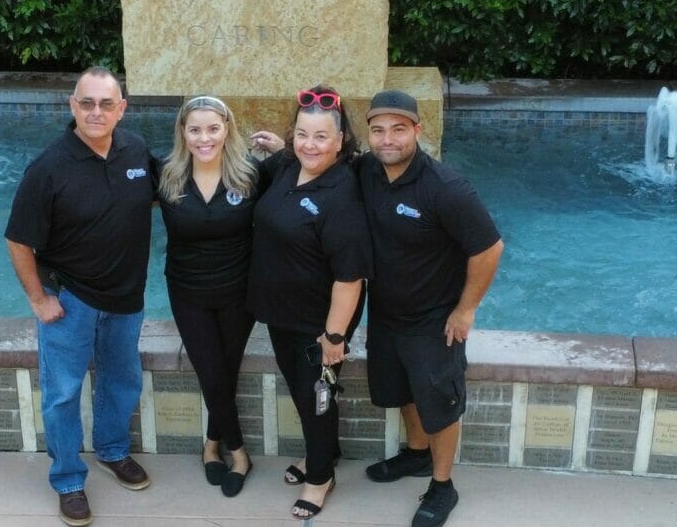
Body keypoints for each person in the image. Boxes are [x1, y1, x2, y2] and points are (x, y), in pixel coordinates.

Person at [4, 67, 157, 527]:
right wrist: (38, 299)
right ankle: (69, 479)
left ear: (121, 109)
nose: (96, 111)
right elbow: (17, 240)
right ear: (72, 106)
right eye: (86, 103)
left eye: (106, 103)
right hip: (71, 302)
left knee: (122, 380)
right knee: (63, 393)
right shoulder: (49, 168)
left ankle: (112, 451)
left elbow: (169, 187)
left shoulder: (135, 150)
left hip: (126, 299)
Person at [359, 90, 504, 527]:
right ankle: (416, 456)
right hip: (385, 313)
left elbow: (489, 249)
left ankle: (442, 485)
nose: (388, 139)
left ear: (417, 131)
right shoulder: (366, 171)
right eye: (379, 130)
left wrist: (465, 310)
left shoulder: (446, 188)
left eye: (399, 129)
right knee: (403, 392)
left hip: (433, 321)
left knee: (438, 403)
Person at [248, 85, 372, 521]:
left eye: (321, 137)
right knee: (304, 393)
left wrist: (334, 337)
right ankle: (328, 452)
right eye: (302, 134)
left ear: (342, 141)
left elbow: (350, 276)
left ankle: (320, 476)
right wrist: (285, 148)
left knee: (317, 396)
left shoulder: (342, 195)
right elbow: (292, 158)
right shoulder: (289, 166)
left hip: (320, 321)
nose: (309, 145)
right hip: (284, 312)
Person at [157, 95, 260, 497]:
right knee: (211, 371)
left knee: (226, 371)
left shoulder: (250, 174)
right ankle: (239, 453)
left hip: (240, 291)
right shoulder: (165, 176)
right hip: (188, 291)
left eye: (213, 128)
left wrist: (284, 147)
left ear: (227, 130)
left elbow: (306, 173)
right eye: (195, 129)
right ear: (182, 132)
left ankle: (211, 444)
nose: (205, 137)